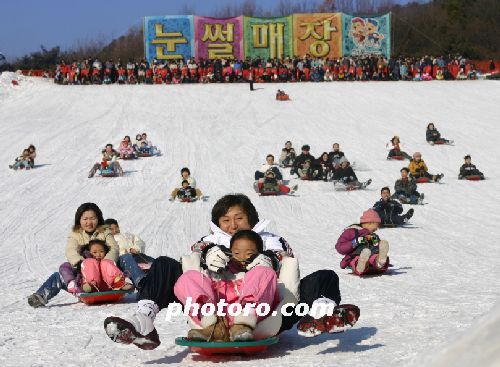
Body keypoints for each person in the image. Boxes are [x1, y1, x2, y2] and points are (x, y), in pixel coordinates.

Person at [104, 194, 359, 349]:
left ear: (251, 218)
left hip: (267, 308)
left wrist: (261, 259)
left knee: (324, 277)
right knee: (165, 265)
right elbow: (192, 264)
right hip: (213, 306)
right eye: (226, 220)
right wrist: (206, 256)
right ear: (217, 223)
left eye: (239, 218)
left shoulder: (270, 239)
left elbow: (284, 261)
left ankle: (321, 315)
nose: (232, 225)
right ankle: (144, 320)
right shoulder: (208, 241)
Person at [174, 229, 285, 341]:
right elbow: (197, 251)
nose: (242, 257)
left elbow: (283, 256)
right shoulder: (220, 268)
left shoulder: (260, 271)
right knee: (189, 276)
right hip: (215, 316)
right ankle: (213, 328)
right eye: (236, 253)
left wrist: (271, 262)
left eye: (249, 254)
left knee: (265, 272)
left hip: (252, 318)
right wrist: (207, 255)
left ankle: (242, 326)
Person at [28, 203, 122, 307]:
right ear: (79, 220)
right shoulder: (75, 234)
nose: (89, 222)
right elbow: (70, 250)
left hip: (106, 274)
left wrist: (106, 262)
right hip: (84, 277)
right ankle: (40, 296)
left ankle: (136, 287)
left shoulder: (105, 232)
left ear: (98, 219)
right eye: (85, 219)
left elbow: (114, 248)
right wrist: (82, 263)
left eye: (92, 218)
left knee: (124, 260)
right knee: (59, 275)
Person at [335, 209, 390, 276]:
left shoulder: (372, 236)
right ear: (370, 223)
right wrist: (355, 242)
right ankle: (361, 266)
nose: (377, 228)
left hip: (372, 257)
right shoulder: (351, 232)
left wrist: (377, 245)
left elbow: (377, 248)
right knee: (356, 259)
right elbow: (340, 247)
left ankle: (380, 261)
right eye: (376, 225)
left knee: (375, 255)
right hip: (355, 255)